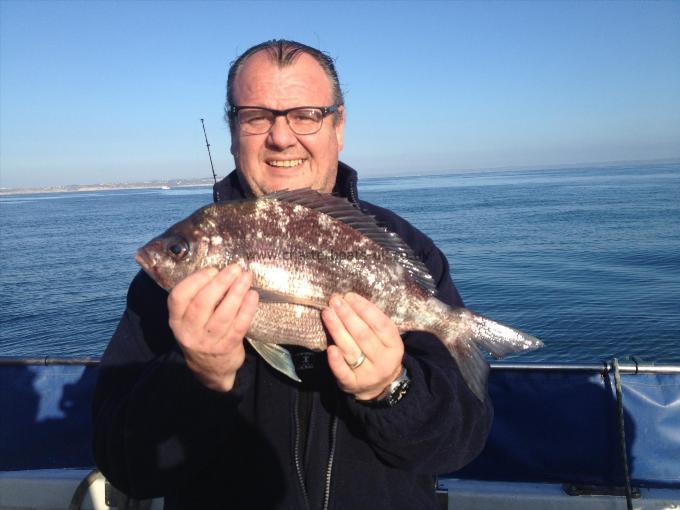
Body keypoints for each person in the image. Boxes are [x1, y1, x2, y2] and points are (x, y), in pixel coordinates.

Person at [92, 39, 493, 510]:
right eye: (256, 116)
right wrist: (200, 377)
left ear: (338, 126)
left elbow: (459, 445)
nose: (281, 137)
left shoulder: (412, 251)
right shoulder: (162, 291)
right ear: (233, 129)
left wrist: (391, 390)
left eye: (306, 114)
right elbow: (127, 467)